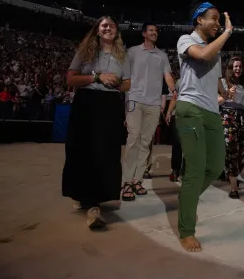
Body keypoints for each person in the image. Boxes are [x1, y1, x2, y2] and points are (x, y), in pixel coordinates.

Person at [62, 16, 131, 229]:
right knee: (83, 150)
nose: (108, 27)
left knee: (106, 152)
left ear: (117, 30)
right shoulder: (85, 52)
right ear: (98, 30)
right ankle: (92, 206)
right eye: (104, 25)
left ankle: (92, 197)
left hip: (110, 104)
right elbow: (71, 79)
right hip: (87, 103)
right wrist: (97, 77)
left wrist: (117, 83)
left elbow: (128, 83)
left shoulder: (123, 55)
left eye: (112, 25)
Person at [175, 1, 233, 252]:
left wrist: (225, 92)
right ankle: (186, 230)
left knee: (216, 165)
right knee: (196, 169)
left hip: (211, 111)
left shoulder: (215, 50)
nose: (218, 24)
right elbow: (203, 55)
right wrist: (228, 33)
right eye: (214, 18)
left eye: (220, 20)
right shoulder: (185, 40)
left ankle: (187, 199)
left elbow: (216, 78)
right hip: (190, 109)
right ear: (199, 20)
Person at [122, 23, 176, 201]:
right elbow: (125, 76)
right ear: (144, 33)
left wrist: (173, 89)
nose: (155, 33)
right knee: (133, 140)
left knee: (145, 143)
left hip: (153, 104)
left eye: (156, 31)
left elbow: (167, 75)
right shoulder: (132, 52)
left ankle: (137, 180)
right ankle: (127, 182)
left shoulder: (162, 56)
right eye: (151, 30)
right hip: (135, 101)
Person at [220, 56, 244, 198]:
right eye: (235, 66)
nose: (238, 69)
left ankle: (231, 172)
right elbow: (215, 101)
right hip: (228, 117)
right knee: (231, 151)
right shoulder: (223, 82)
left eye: (240, 67)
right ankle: (234, 187)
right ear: (230, 68)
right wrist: (226, 95)